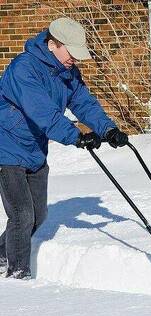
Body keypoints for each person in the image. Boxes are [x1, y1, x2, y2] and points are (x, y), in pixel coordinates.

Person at [0, 17, 128, 280]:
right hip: (7, 147)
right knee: (22, 216)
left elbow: (84, 103)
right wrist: (76, 135)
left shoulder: (67, 72)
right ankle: (18, 275)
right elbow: (42, 112)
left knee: (39, 215)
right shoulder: (24, 68)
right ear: (53, 44)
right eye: (72, 53)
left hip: (35, 150)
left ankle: (2, 254)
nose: (75, 60)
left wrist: (107, 129)